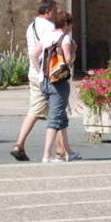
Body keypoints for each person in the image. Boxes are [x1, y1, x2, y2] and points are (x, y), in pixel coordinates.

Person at [11, 0, 61, 162]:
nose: (56, 13)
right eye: (54, 10)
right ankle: (58, 151)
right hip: (46, 73)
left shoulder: (31, 26)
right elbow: (52, 49)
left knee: (44, 110)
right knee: (56, 110)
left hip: (34, 72)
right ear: (47, 11)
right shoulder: (50, 28)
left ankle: (21, 145)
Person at [39, 13, 80, 163]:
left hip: (44, 80)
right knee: (55, 120)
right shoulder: (65, 38)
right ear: (66, 24)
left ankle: (68, 152)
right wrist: (74, 50)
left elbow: (35, 53)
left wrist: (40, 72)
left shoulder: (47, 35)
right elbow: (68, 61)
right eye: (70, 24)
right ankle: (47, 155)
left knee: (60, 118)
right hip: (58, 82)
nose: (71, 27)